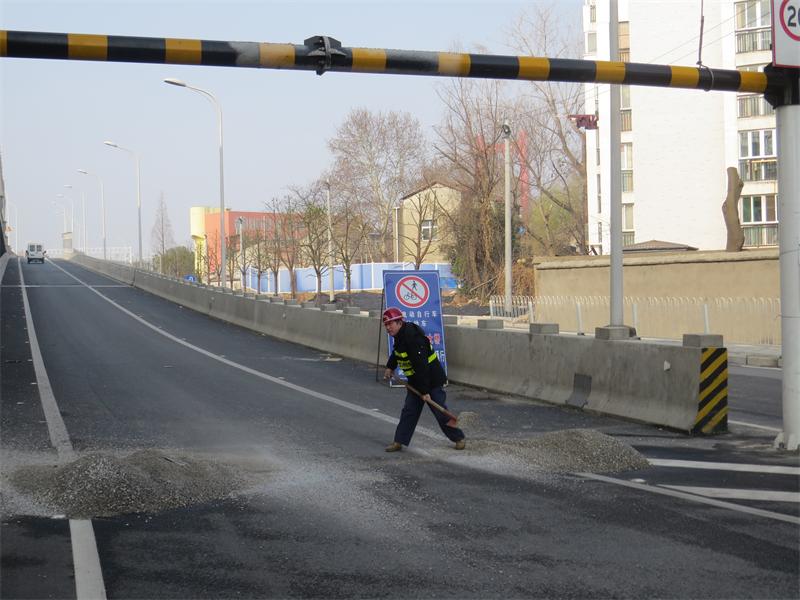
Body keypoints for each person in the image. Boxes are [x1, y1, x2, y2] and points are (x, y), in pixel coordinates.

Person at [382, 307, 466, 452]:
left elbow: (421, 366)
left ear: (400, 322)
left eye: (391, 324)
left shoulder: (412, 337)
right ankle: (399, 441)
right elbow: (397, 353)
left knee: (440, 411)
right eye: (386, 325)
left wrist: (425, 391)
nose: (388, 328)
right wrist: (390, 367)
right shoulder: (400, 336)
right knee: (409, 411)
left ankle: (458, 438)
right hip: (417, 381)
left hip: (431, 380)